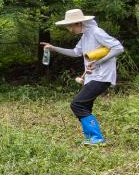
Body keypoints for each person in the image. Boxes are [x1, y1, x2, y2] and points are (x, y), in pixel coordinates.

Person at [41, 8, 124, 146]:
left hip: (102, 76)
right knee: (85, 106)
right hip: (92, 77)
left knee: (77, 104)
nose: (69, 29)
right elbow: (75, 52)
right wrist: (53, 48)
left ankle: (97, 138)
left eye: (70, 26)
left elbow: (118, 47)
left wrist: (98, 61)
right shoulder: (85, 36)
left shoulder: (97, 32)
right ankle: (91, 138)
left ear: (79, 23)